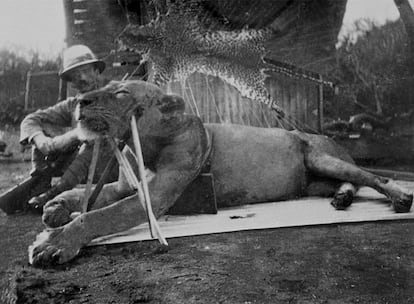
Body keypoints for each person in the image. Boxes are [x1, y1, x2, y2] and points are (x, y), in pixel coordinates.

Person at [18, 44, 118, 211]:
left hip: (113, 167)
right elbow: (31, 120)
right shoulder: (72, 104)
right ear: (71, 82)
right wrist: (40, 139)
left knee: (91, 141)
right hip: (81, 170)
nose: (83, 78)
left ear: (96, 70)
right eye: (76, 76)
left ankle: (55, 193)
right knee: (42, 132)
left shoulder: (115, 95)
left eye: (86, 71)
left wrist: (67, 138)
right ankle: (41, 185)